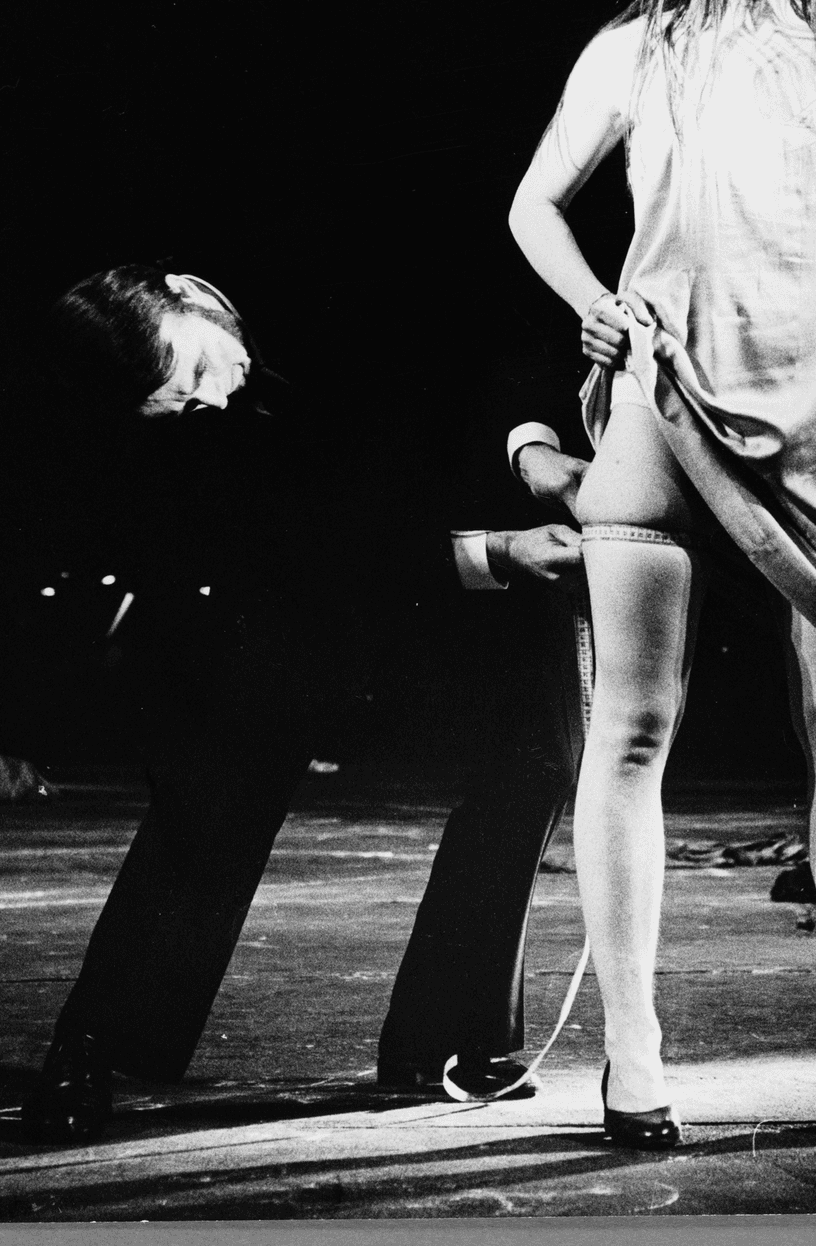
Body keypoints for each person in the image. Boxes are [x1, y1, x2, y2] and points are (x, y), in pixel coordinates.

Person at [508, 0, 816, 1148]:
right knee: (633, 730)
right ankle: (632, 1053)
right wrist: (591, 300)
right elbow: (530, 203)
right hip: (662, 411)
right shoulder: (634, 54)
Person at [13, 264, 590, 1141]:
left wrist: (524, 473)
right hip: (319, 590)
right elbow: (307, 548)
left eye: (203, 375)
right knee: (215, 776)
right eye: (185, 408)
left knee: (534, 755)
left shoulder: (343, 305)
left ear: (189, 296)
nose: (214, 401)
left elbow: (482, 373)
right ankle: (97, 1043)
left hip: (471, 532)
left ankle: (448, 1040)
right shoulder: (175, 432)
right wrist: (488, 551)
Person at [377, 424, 590, 1099]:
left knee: (532, 777)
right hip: (457, 558)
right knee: (516, 778)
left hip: (528, 555)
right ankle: (431, 1038)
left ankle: (460, 1038)